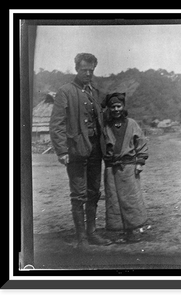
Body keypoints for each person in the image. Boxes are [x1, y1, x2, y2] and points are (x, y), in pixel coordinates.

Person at [50, 53, 111, 248]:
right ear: (76, 68)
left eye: (91, 70)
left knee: (94, 192)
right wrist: (61, 151)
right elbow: (56, 124)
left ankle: (92, 233)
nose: (87, 73)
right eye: (84, 69)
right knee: (78, 194)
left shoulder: (94, 91)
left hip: (95, 150)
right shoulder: (65, 91)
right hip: (75, 150)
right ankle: (81, 238)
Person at [102, 93, 149, 243]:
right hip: (111, 168)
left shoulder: (132, 124)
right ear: (109, 108)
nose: (116, 109)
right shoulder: (105, 126)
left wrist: (140, 162)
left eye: (118, 106)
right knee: (114, 200)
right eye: (113, 107)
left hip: (128, 167)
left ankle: (133, 231)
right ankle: (122, 230)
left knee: (130, 199)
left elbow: (141, 142)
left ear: (123, 107)